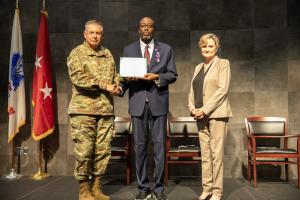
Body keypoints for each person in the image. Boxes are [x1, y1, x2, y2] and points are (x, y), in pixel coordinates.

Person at [120, 17, 177, 200]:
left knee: (159, 147)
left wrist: (156, 77)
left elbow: (172, 74)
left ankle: (159, 189)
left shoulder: (166, 49)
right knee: (140, 147)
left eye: (150, 26)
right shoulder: (129, 50)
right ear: (139, 29)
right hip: (137, 105)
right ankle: (143, 187)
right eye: (143, 26)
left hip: (158, 104)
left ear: (154, 29)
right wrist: (123, 85)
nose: (146, 29)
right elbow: (123, 78)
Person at [67, 20, 120, 200]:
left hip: (105, 111)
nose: (95, 36)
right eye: (92, 33)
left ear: (102, 35)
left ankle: (96, 187)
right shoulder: (77, 53)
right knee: (84, 151)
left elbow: (115, 76)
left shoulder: (107, 54)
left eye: (98, 33)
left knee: (103, 151)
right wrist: (105, 85)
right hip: (83, 112)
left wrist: (118, 86)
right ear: (85, 34)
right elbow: (78, 78)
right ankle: (84, 190)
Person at [188, 33, 232, 200]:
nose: (207, 49)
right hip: (200, 116)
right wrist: (192, 108)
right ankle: (206, 189)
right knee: (205, 155)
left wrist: (205, 109)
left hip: (217, 115)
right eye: (204, 46)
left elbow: (223, 90)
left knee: (216, 154)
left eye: (210, 46)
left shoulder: (223, 64)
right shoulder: (198, 67)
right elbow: (192, 90)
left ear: (216, 48)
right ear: (201, 48)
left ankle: (217, 192)